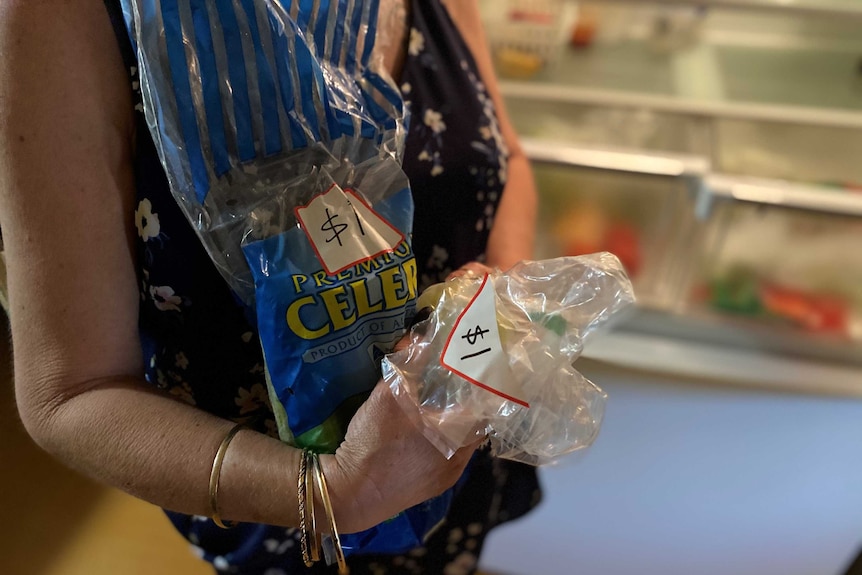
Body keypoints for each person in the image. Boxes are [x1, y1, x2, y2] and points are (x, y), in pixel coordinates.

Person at [0, 0, 538, 573]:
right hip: (285, 520)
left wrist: (498, 294)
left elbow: (508, 155)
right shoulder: (57, 14)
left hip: (468, 437)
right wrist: (334, 491)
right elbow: (70, 392)